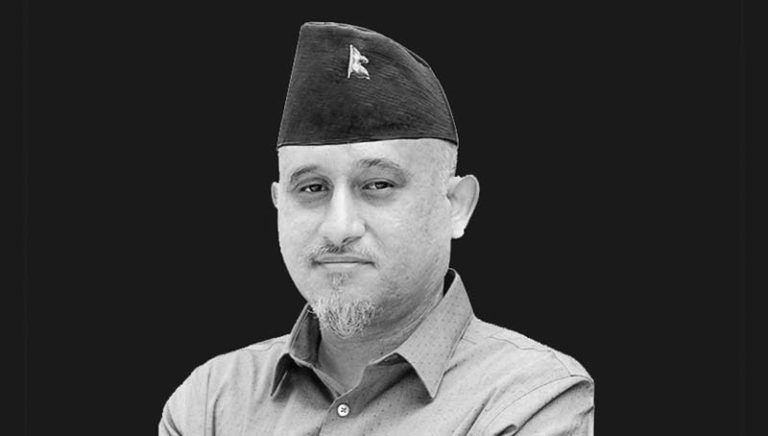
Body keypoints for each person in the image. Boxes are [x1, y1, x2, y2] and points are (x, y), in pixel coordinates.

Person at [159, 21, 594, 435]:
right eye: (312, 188)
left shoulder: (531, 398)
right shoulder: (211, 400)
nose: (339, 228)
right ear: (278, 203)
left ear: (456, 207)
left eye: (378, 185)